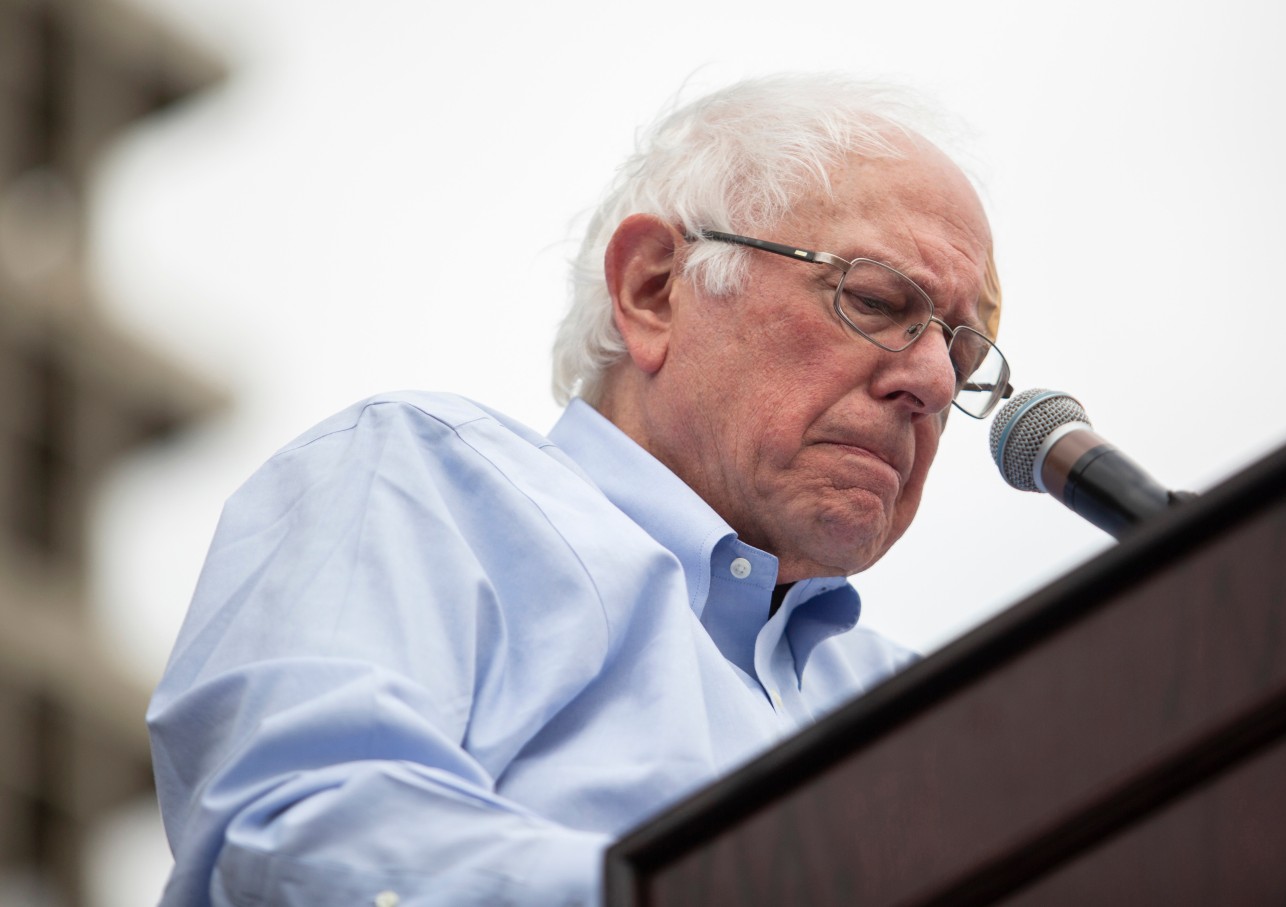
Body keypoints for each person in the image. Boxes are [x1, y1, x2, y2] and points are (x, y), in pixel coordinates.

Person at [147, 72, 1009, 906]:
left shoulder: (933, 717)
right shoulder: (431, 485)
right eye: (873, 298)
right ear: (653, 289)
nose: (932, 379)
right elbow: (297, 844)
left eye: (963, 355)